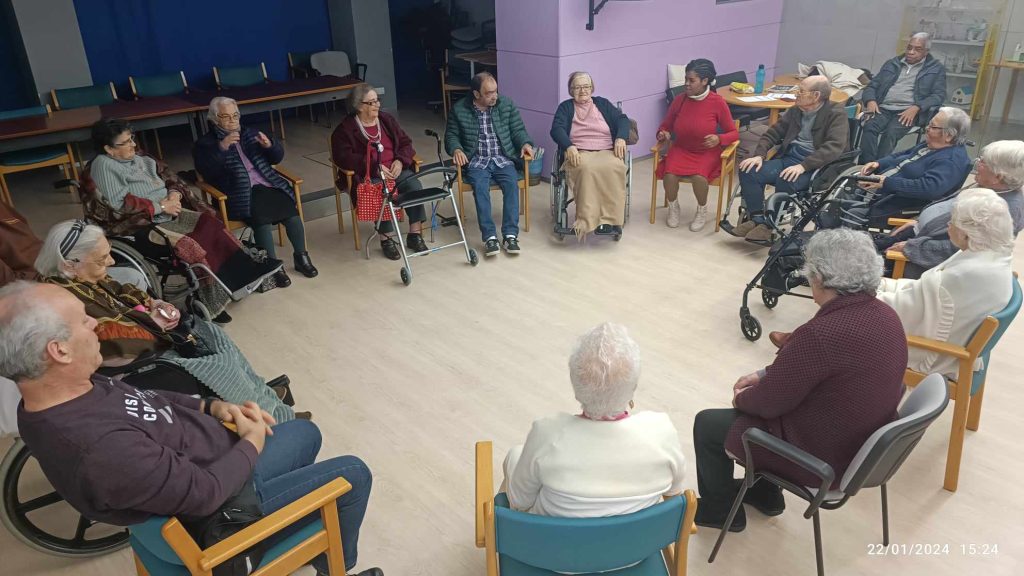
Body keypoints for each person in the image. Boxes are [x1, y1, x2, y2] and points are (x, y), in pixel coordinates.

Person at [0, 281, 380, 576]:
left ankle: (291, 520)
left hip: (212, 467)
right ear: (59, 350)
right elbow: (205, 493)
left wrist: (211, 405)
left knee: (305, 434)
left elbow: (146, 398)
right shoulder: (100, 448)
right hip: (219, 520)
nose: (95, 323)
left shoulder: (59, 393)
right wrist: (250, 442)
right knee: (353, 474)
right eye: (83, 320)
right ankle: (333, 565)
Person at [693, 229, 906, 531]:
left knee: (708, 424)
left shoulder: (822, 333)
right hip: (859, 446)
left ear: (818, 278)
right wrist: (765, 375)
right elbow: (816, 371)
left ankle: (719, 512)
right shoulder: (886, 315)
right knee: (785, 410)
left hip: (821, 460)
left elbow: (767, 404)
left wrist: (741, 398)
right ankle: (766, 495)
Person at [35, 220, 301, 423]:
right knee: (218, 362)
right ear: (69, 264)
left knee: (214, 334)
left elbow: (122, 290)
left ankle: (266, 400)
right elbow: (110, 341)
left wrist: (153, 303)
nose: (111, 261)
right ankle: (272, 417)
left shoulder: (81, 277)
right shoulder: (63, 300)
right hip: (130, 365)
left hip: (147, 344)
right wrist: (154, 323)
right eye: (102, 259)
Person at [89, 118, 280, 323]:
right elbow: (118, 204)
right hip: (141, 224)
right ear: (108, 149)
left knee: (211, 224)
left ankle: (244, 272)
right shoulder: (103, 165)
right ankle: (211, 299)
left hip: (170, 211)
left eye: (132, 139)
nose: (133, 144)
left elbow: (171, 178)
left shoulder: (141, 157)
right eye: (126, 142)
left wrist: (174, 194)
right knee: (191, 245)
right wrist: (161, 207)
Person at [503, 322, 687, 518]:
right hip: (640, 537)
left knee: (515, 455)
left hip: (555, 537)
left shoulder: (546, 433)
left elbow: (520, 502)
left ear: (576, 385)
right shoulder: (661, 431)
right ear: (633, 386)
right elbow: (674, 493)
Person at [876, 188, 1015, 380]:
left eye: (952, 221)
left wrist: (865, 292)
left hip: (934, 354)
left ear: (967, 234)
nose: (948, 225)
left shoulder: (965, 273)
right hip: (953, 341)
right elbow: (922, 292)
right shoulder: (991, 256)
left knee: (850, 323)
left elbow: (902, 311)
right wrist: (882, 284)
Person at [193, 97, 318, 285]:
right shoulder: (206, 143)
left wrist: (270, 146)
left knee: (291, 213)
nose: (232, 120)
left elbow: (277, 158)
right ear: (214, 119)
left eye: (235, 115)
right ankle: (272, 268)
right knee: (262, 220)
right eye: (226, 117)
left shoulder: (250, 133)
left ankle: (302, 258)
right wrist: (222, 147)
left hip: (267, 184)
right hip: (237, 193)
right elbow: (208, 171)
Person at [881, 140, 1024, 278]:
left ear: (997, 177)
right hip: (916, 234)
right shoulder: (987, 186)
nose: (977, 163)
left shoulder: (1002, 210)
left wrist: (912, 248)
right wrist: (918, 222)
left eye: (983, 162)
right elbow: (945, 207)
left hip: (920, 264)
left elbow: (960, 249)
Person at [733, 76, 849, 243]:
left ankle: (769, 225)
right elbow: (772, 133)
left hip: (816, 167)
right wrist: (759, 155)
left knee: (786, 178)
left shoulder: (835, 113)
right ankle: (756, 218)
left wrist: (803, 166)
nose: (796, 94)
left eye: (801, 91)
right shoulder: (796, 110)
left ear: (816, 95)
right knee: (748, 169)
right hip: (790, 158)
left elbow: (833, 147)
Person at [331, 84, 427, 260]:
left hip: (395, 170)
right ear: (359, 106)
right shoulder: (345, 130)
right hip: (368, 175)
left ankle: (415, 234)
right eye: (372, 102)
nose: (378, 105)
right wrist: (374, 166)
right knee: (381, 192)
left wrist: (400, 161)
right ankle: (386, 239)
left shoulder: (386, 120)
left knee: (414, 185)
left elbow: (406, 143)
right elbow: (343, 158)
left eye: (377, 100)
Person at [445, 72, 534, 257]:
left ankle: (510, 235)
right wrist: (457, 149)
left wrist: (525, 144)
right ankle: (490, 237)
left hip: (503, 158)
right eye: (489, 93)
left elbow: (518, 130)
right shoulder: (460, 109)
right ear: (476, 94)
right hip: (477, 161)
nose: (494, 96)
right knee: (480, 188)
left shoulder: (506, 104)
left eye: (495, 91)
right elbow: (451, 135)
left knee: (511, 185)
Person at [655, 59, 738, 231]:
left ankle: (702, 210)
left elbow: (733, 133)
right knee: (669, 175)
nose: (686, 84)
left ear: (705, 81)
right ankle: (673, 207)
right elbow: (665, 125)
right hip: (681, 149)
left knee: (699, 177)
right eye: (686, 79)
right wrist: (663, 134)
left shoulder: (717, 102)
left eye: (691, 80)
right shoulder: (679, 100)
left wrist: (719, 139)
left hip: (706, 151)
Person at [858, 106, 973, 225]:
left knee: (849, 213)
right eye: (929, 124)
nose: (927, 129)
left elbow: (928, 189)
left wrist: (887, 182)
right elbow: (904, 154)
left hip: (890, 208)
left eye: (933, 127)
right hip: (877, 193)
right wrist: (879, 163)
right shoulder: (932, 144)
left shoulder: (951, 161)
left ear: (949, 136)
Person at [549, 72, 630, 238]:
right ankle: (586, 220)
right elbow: (556, 129)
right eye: (577, 87)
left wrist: (621, 137)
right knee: (587, 169)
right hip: (579, 151)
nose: (582, 90)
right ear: (571, 90)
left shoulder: (602, 103)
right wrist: (569, 146)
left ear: (592, 88)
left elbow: (622, 119)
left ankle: (608, 220)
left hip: (607, 150)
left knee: (615, 166)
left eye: (586, 86)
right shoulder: (565, 107)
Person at [860, 32, 947, 163]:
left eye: (917, 49)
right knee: (869, 127)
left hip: (908, 112)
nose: (911, 52)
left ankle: (879, 167)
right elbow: (872, 86)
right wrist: (870, 101)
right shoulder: (892, 63)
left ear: (926, 52)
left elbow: (939, 95)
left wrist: (917, 107)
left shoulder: (935, 68)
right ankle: (864, 167)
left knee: (891, 133)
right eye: (909, 47)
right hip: (882, 108)